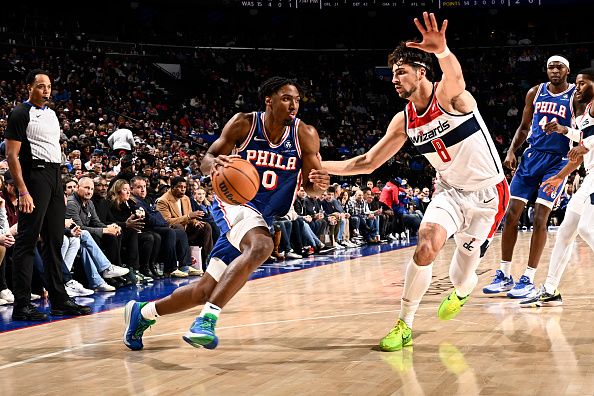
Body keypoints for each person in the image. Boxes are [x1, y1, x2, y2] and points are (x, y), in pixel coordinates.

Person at [321, 13, 509, 351]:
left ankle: (464, 289)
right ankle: (404, 324)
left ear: (421, 72)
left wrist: (442, 51)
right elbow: (365, 162)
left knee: (460, 275)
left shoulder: (449, 96)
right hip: (449, 192)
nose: (393, 79)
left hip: (489, 195)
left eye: (400, 71)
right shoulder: (404, 120)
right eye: (392, 73)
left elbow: (455, 75)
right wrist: (316, 165)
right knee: (426, 243)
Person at [124, 76, 329, 350]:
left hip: (263, 216)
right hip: (233, 203)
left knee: (205, 290)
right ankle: (206, 320)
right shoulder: (245, 123)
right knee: (263, 245)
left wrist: (318, 186)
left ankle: (143, 313)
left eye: (297, 100)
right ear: (269, 100)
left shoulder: (305, 134)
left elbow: (311, 186)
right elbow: (206, 160)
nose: (293, 105)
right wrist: (214, 163)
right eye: (286, 98)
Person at [482, 55, 582, 299]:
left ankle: (528, 277)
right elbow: (524, 126)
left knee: (540, 217)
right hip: (531, 157)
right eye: (550, 67)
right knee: (511, 213)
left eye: (559, 67)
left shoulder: (574, 97)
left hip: (557, 160)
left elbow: (581, 132)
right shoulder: (535, 92)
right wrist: (511, 150)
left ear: (567, 70)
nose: (554, 70)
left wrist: (563, 131)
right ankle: (505, 274)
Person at [5, 69, 90, 320]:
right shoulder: (20, 113)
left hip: (54, 177)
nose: (46, 91)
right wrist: (23, 190)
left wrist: (60, 187)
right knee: (27, 240)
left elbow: (54, 151)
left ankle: (59, 299)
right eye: (41, 86)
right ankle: (22, 304)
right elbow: (11, 155)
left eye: (49, 86)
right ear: (29, 87)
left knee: (55, 240)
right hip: (34, 176)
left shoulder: (52, 114)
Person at [520, 68, 594, 307]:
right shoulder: (585, 114)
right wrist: (565, 132)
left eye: (583, 83)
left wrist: (585, 144)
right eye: (578, 84)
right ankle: (550, 289)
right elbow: (581, 146)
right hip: (590, 177)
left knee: (586, 228)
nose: (578, 87)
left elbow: (586, 144)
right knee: (566, 230)